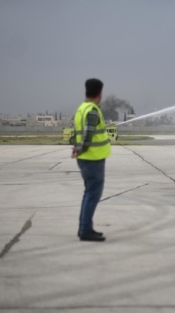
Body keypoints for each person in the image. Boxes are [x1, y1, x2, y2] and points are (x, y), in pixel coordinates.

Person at [72, 78, 111, 242]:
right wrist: (80, 148)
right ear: (100, 93)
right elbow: (87, 135)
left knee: (88, 194)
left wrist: (76, 147)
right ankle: (86, 230)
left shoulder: (82, 108)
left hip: (85, 158)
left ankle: (84, 228)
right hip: (93, 159)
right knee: (93, 194)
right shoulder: (93, 110)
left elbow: (77, 132)